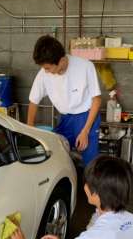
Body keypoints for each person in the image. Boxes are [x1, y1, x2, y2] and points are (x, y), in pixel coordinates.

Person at [28, 35, 102, 165]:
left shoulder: (86, 67)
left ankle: (88, 178)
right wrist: (29, 130)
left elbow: (97, 99)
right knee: (56, 155)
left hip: (86, 117)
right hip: (65, 119)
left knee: (90, 161)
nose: (46, 71)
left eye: (48, 68)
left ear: (61, 60)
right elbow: (33, 101)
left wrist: (85, 131)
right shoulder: (43, 74)